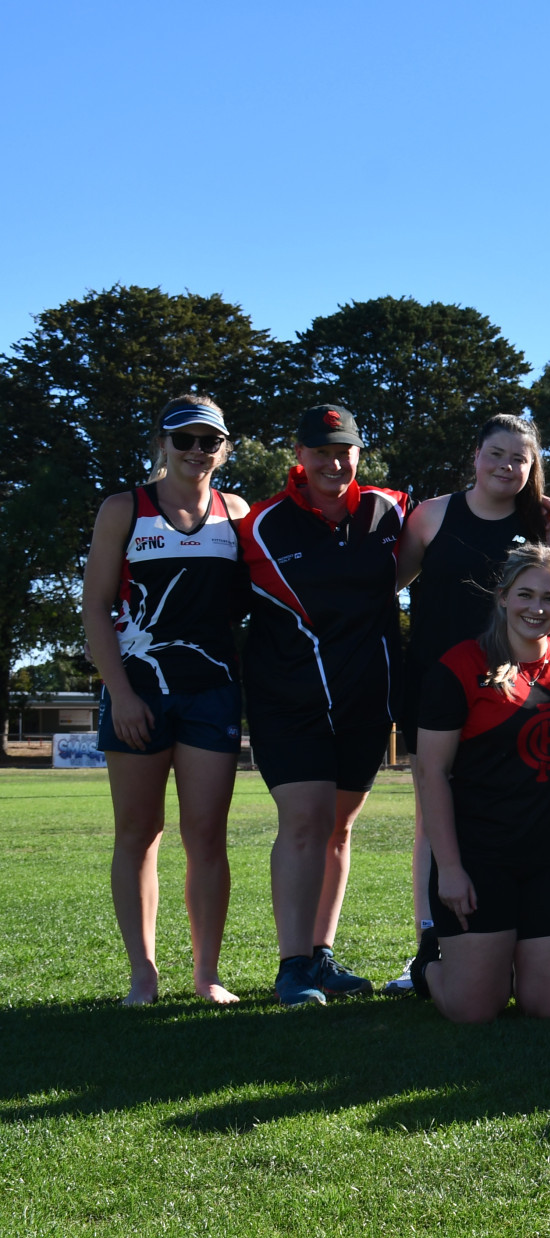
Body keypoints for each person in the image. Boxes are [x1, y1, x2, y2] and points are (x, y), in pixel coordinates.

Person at [81, 394, 248, 1006]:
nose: (197, 452)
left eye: (209, 441)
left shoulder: (237, 512)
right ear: (162, 444)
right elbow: (96, 606)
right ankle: (143, 974)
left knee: (206, 836)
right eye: (184, 440)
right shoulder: (124, 508)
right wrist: (119, 694)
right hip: (138, 693)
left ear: (224, 448)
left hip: (212, 693)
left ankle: (207, 974)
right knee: (138, 834)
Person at [386, 414, 550, 994]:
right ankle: (430, 943)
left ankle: (517, 941)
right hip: (438, 688)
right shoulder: (432, 515)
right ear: (476, 455)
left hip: (515, 693)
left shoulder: (540, 520)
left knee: (514, 809)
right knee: (433, 820)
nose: (507, 466)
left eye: (520, 459)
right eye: (498, 454)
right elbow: (384, 586)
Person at [238, 404, 406, 1006]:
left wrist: (537, 511)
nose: (334, 463)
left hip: (365, 699)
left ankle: (322, 954)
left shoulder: (391, 511)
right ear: (300, 457)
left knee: (338, 828)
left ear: (359, 453)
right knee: (305, 822)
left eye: (345, 451)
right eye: (321, 452)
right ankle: (292, 967)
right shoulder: (259, 526)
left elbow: (461, 524)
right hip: (290, 700)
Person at [409, 546, 550, 1022]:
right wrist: (448, 869)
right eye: (525, 595)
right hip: (480, 859)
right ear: (502, 598)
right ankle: (429, 963)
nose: (537, 608)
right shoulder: (459, 666)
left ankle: (503, 964)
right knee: (475, 1010)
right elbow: (431, 773)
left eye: (549, 598)